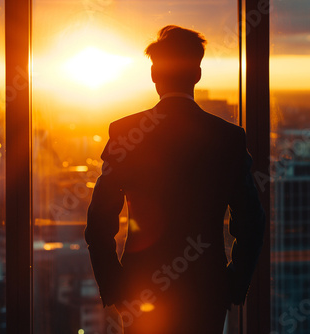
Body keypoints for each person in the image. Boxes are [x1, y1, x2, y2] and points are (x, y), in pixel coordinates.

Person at [84, 25, 265, 334]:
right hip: (206, 292)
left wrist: (116, 287)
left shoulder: (126, 133)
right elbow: (252, 221)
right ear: (197, 73)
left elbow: (99, 222)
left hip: (140, 291)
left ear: (154, 74)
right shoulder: (228, 138)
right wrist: (232, 285)